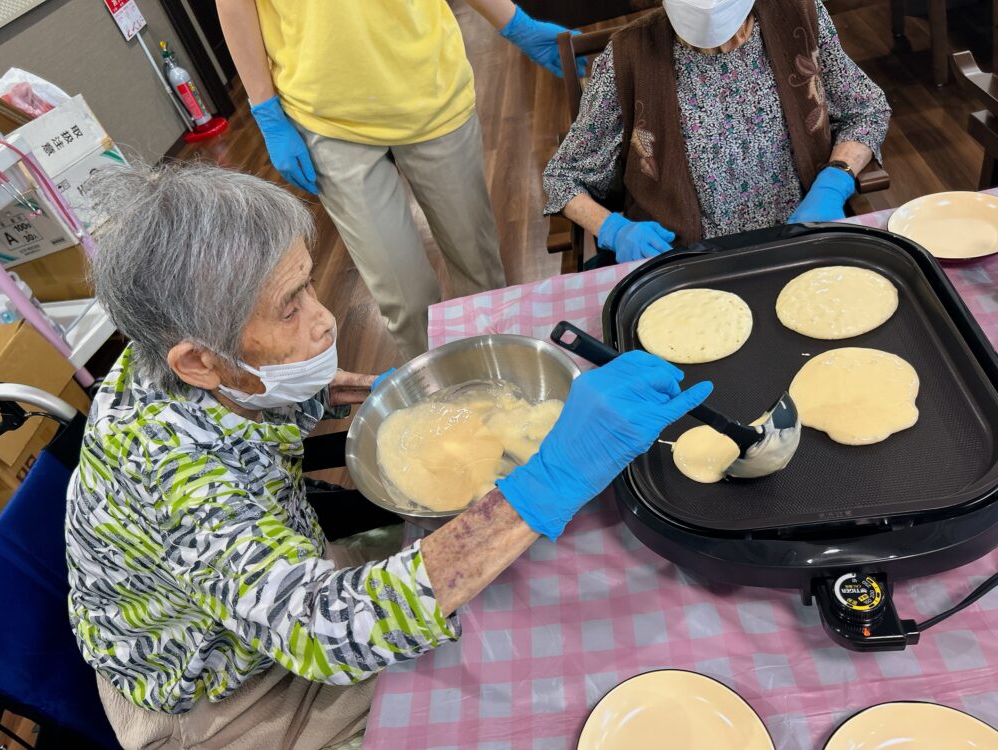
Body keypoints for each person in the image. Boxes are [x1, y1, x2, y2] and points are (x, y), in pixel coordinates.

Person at [66, 162, 713, 750]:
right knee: (487, 687)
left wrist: (324, 386)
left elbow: (249, 394)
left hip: (265, 577)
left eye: (308, 287)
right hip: (217, 692)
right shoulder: (184, 485)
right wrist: (552, 479)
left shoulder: (174, 347)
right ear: (199, 361)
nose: (323, 322)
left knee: (489, 596)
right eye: (289, 310)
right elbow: (326, 632)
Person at [216, 0, 585, 360]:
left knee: (480, 272)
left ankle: (511, 379)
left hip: (429, 86)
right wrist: (264, 107)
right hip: (326, 115)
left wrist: (516, 24)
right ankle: (456, 401)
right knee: (405, 302)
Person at [542, 0, 892, 263]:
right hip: (687, 260)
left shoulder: (799, 15)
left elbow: (866, 109)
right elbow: (562, 178)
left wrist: (834, 184)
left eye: (733, 29)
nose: (719, 49)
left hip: (801, 240)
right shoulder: (628, 55)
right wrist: (613, 230)